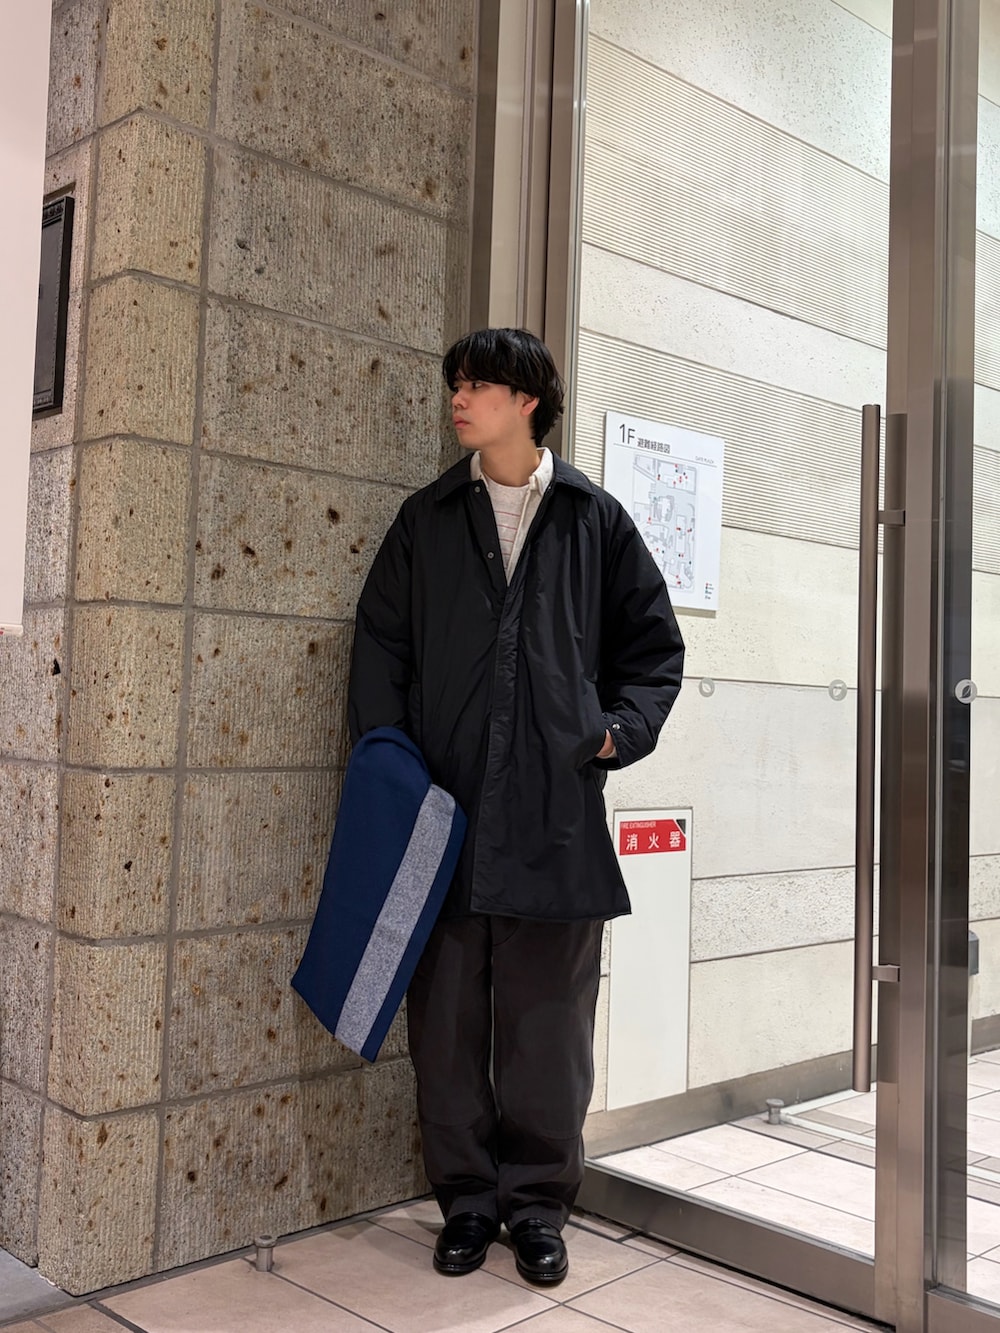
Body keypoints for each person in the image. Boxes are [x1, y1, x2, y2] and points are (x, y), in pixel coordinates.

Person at [347, 327, 684, 1286]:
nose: (459, 398)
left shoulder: (592, 519)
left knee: (548, 1034)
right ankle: (466, 1202)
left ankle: (537, 1207)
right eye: (455, 382)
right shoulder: (427, 519)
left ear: (528, 400)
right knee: (447, 1030)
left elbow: (654, 650)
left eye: (479, 384)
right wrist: (394, 766)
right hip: (444, 818)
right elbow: (380, 648)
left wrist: (614, 733)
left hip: (554, 817)